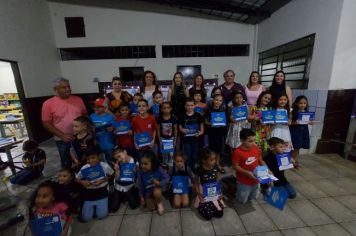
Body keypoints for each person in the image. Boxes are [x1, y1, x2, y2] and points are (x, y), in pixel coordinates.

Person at [42, 77, 87, 167]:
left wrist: (87, 131)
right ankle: (70, 180)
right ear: (55, 89)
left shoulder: (78, 100)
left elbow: (85, 116)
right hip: (62, 139)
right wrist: (62, 135)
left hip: (81, 137)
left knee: (83, 160)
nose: (68, 89)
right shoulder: (48, 103)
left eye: (68, 86)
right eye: (64, 87)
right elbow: (46, 123)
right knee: (66, 162)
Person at [76, 148, 114, 222]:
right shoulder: (84, 168)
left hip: (102, 190)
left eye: (93, 158)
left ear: (98, 156)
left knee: (102, 215)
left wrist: (102, 180)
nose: (91, 161)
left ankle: (100, 206)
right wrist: (82, 182)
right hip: (89, 191)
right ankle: (92, 209)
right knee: (86, 218)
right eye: (88, 159)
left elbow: (111, 175)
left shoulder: (104, 166)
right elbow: (76, 178)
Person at [232, 129, 267, 204]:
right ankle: (233, 187)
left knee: (253, 197)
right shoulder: (237, 152)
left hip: (256, 179)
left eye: (254, 140)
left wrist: (267, 169)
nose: (254, 143)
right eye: (250, 141)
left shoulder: (256, 148)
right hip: (244, 181)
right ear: (242, 141)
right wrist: (246, 173)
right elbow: (235, 166)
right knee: (242, 199)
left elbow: (260, 160)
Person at [194, 148, 224, 220]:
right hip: (204, 192)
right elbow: (196, 183)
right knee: (208, 216)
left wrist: (219, 191)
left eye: (214, 159)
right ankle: (203, 207)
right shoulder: (200, 170)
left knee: (220, 213)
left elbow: (217, 179)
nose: (214, 161)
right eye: (211, 160)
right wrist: (198, 194)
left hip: (214, 192)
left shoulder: (215, 168)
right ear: (204, 161)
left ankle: (212, 206)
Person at [138, 150, 169, 215]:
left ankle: (159, 202)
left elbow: (167, 178)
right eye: (141, 163)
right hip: (148, 192)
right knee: (151, 208)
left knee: (157, 192)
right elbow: (141, 186)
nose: (143, 166)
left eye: (146, 164)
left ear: (153, 163)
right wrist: (141, 197)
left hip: (157, 189)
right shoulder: (141, 172)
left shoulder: (158, 169)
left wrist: (159, 183)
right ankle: (158, 199)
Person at [179, 97, 204, 172]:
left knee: (194, 155)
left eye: (192, 105)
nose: (190, 107)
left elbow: (202, 128)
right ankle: (187, 168)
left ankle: (192, 167)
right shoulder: (182, 116)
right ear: (185, 106)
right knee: (187, 155)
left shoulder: (198, 115)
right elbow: (180, 127)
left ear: (194, 106)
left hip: (195, 139)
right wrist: (182, 130)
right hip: (186, 140)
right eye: (188, 105)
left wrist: (200, 132)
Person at [90, 98, 116, 167]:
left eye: (98, 106)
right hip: (96, 144)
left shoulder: (110, 117)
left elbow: (116, 128)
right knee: (98, 162)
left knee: (110, 160)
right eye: (95, 106)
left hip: (108, 144)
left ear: (104, 107)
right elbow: (89, 129)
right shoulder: (92, 116)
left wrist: (112, 128)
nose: (96, 108)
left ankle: (112, 175)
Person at [290, 95, 314, 167]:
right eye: (301, 103)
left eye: (304, 103)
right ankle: (291, 161)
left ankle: (293, 160)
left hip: (303, 131)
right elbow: (289, 123)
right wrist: (295, 122)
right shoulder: (293, 112)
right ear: (297, 103)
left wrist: (310, 122)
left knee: (298, 147)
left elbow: (309, 121)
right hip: (295, 131)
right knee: (293, 147)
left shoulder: (307, 112)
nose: (303, 105)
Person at [205, 94, 227, 171]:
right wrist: (210, 123)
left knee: (218, 150)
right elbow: (206, 122)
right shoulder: (209, 110)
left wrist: (223, 123)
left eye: (220, 100)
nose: (218, 102)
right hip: (211, 133)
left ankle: (217, 164)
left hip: (220, 133)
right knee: (211, 150)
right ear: (213, 100)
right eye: (217, 100)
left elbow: (225, 123)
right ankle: (211, 164)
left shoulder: (223, 111)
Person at [157, 101, 178, 166]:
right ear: (161, 109)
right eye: (164, 108)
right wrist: (160, 140)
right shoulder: (159, 119)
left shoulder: (173, 118)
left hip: (171, 138)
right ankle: (164, 165)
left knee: (171, 154)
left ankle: (170, 166)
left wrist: (174, 141)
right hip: (163, 139)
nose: (166, 110)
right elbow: (158, 130)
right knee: (164, 154)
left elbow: (175, 130)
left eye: (168, 108)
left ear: (171, 108)